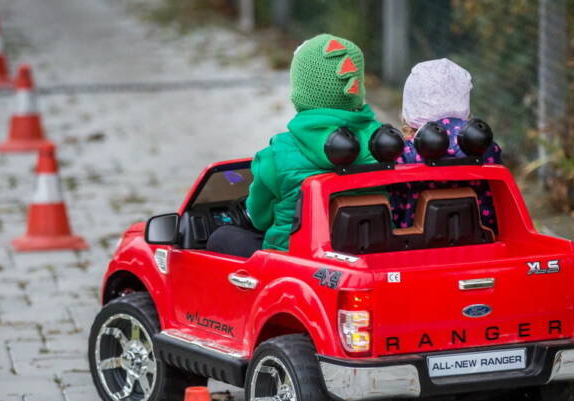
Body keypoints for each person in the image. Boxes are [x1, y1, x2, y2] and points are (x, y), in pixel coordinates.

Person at [206, 34, 384, 257]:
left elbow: (259, 219)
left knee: (222, 237)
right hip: (366, 254)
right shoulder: (383, 145)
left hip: (293, 261)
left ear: (302, 90)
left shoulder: (276, 156)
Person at [391, 58, 502, 231]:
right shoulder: (485, 148)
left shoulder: (406, 153)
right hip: (480, 239)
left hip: (416, 244)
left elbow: (395, 206)